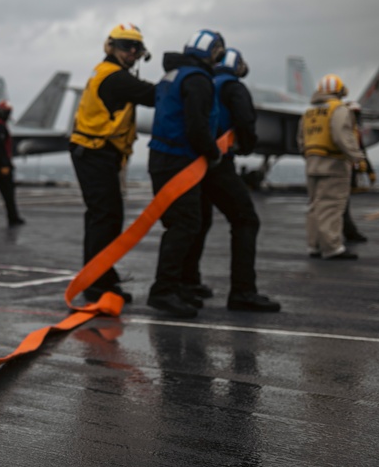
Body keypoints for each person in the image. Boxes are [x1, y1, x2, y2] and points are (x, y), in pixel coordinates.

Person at [181, 49, 280, 312]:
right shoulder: (234, 88)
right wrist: (247, 147)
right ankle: (243, 291)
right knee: (246, 220)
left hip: (195, 164)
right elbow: (246, 123)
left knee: (199, 222)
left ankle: (189, 283)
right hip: (219, 164)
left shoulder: (204, 83)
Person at [69, 23, 155, 305]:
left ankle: (100, 274)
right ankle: (95, 284)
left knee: (104, 217)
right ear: (111, 47)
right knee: (105, 217)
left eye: (136, 48)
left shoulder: (108, 72)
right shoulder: (115, 77)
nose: (132, 52)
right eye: (126, 46)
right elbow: (153, 95)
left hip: (100, 153)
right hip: (94, 152)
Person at [146, 30, 226, 319]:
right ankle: (164, 291)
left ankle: (178, 285)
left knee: (183, 223)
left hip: (163, 158)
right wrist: (213, 152)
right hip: (179, 161)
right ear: (212, 53)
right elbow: (196, 125)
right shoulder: (198, 80)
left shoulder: (175, 74)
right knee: (184, 225)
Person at [298, 74, 366, 260]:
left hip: (312, 164)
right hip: (334, 164)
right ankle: (332, 248)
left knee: (314, 206)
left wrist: (309, 156)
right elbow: (341, 136)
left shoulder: (309, 112)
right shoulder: (339, 109)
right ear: (340, 91)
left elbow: (301, 140)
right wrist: (357, 157)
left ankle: (314, 246)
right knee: (331, 207)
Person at [342, 102, 373, 243]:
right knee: (340, 206)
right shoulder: (343, 129)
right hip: (340, 171)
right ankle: (348, 233)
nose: (356, 116)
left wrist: (369, 170)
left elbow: (361, 151)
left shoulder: (355, 131)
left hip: (348, 173)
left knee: (343, 205)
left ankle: (348, 232)